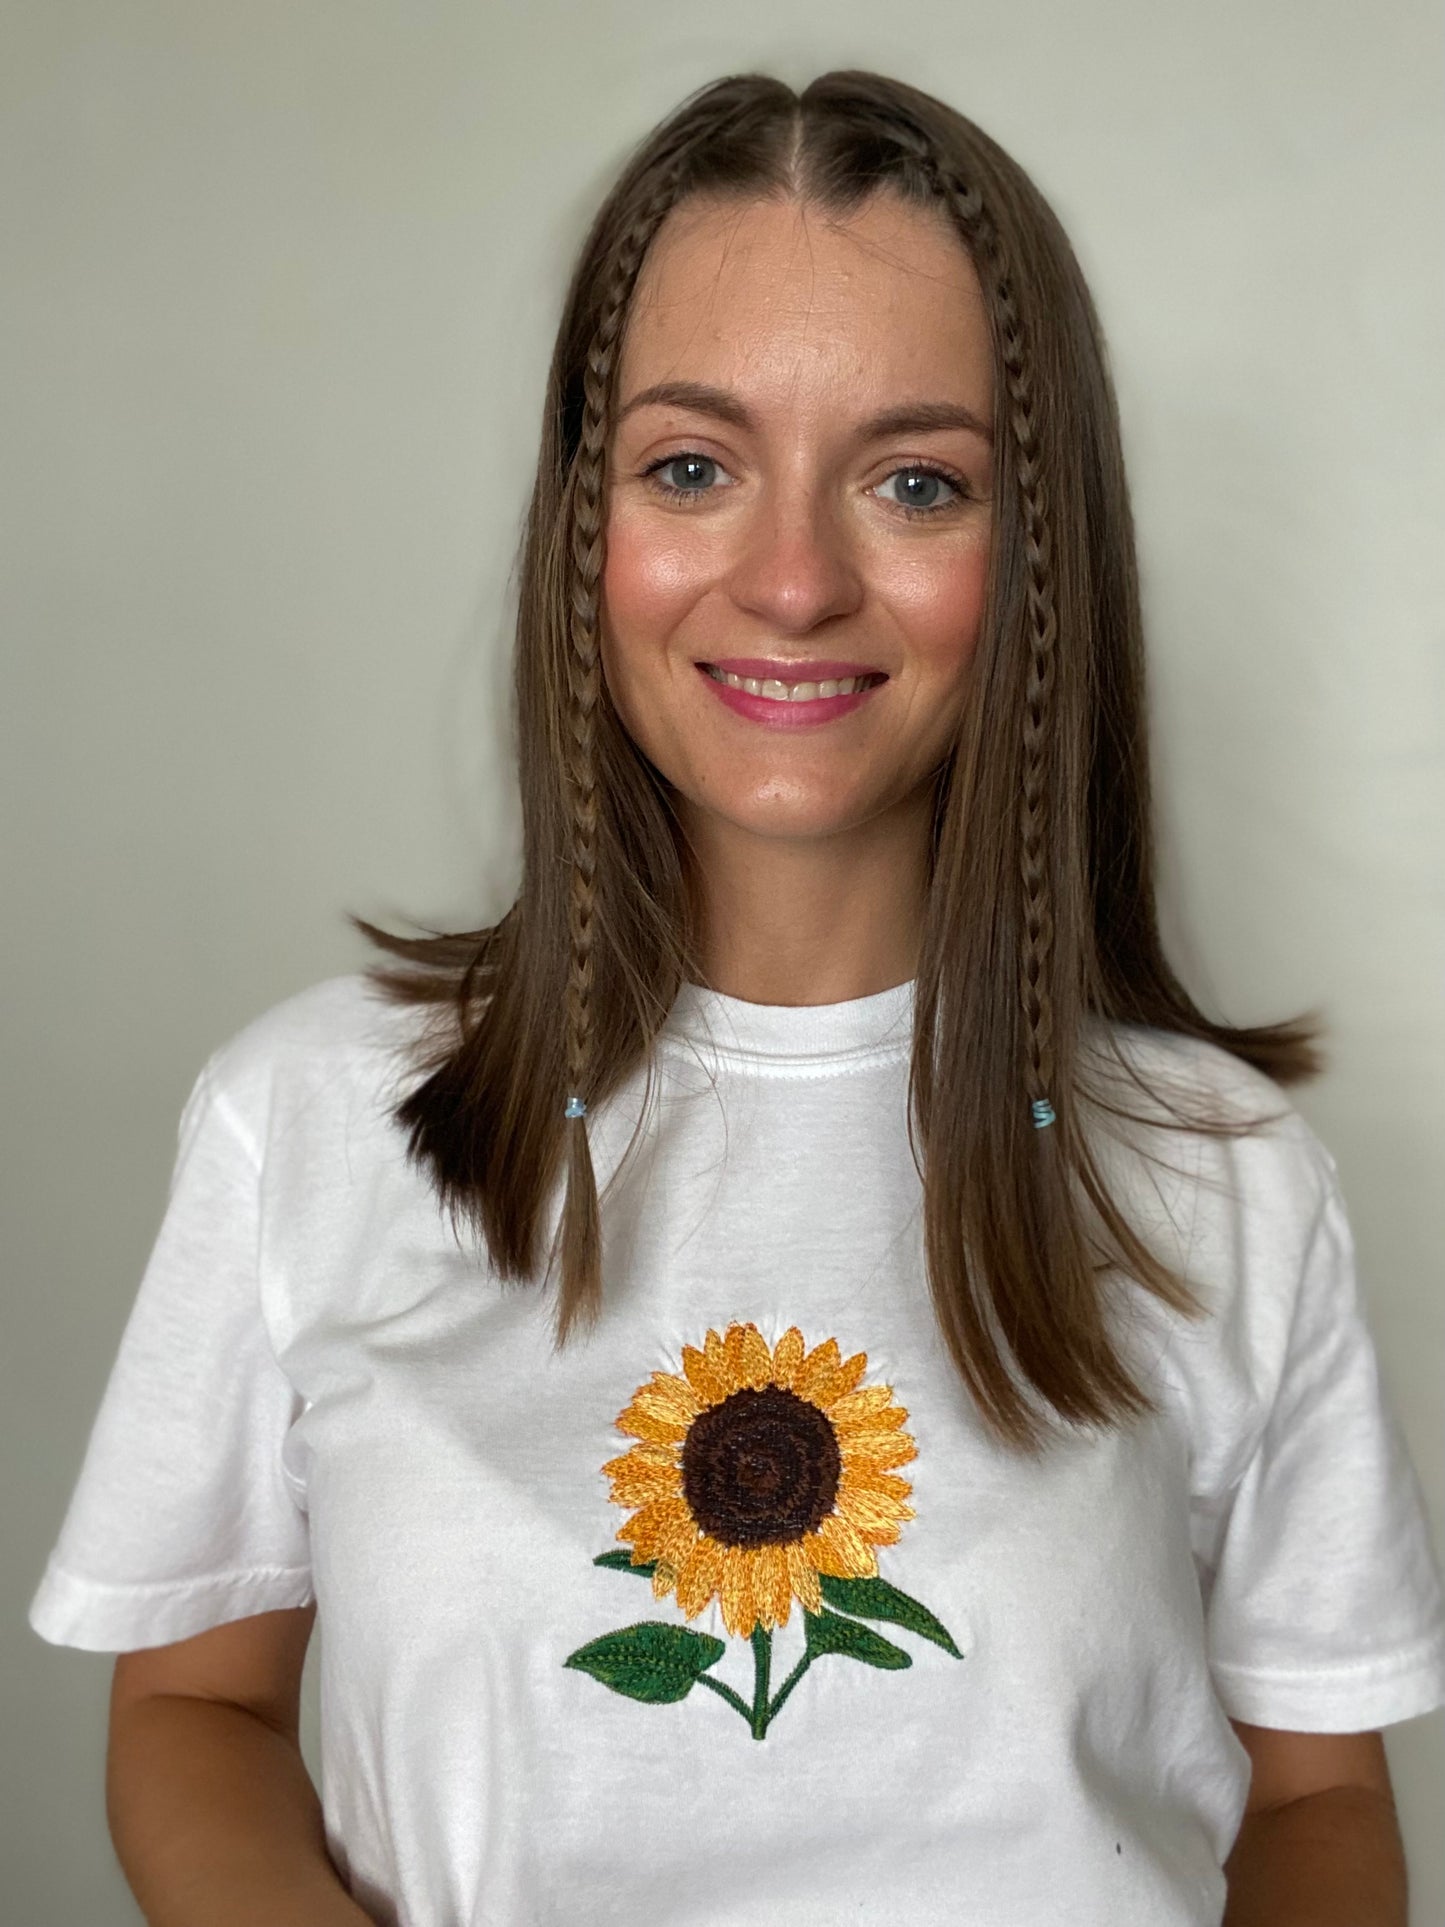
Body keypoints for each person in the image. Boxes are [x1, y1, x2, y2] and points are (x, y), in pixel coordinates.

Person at [28, 69, 1445, 1927]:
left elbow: (1318, 1804)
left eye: (913, 481)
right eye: (690, 467)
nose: (790, 581)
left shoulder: (1226, 1174)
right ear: (582, 527)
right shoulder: (300, 1120)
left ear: (1034, 560)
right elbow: (194, 1706)